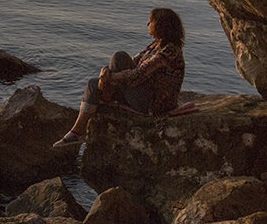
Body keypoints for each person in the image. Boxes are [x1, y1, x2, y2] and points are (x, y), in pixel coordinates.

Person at [52, 8, 185, 147]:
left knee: (118, 57)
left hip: (152, 103)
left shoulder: (170, 51)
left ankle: (106, 95)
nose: (147, 24)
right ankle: (77, 131)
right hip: (141, 92)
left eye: (151, 21)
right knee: (94, 82)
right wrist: (105, 71)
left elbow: (138, 75)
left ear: (161, 25)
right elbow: (133, 62)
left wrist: (110, 78)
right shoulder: (155, 45)